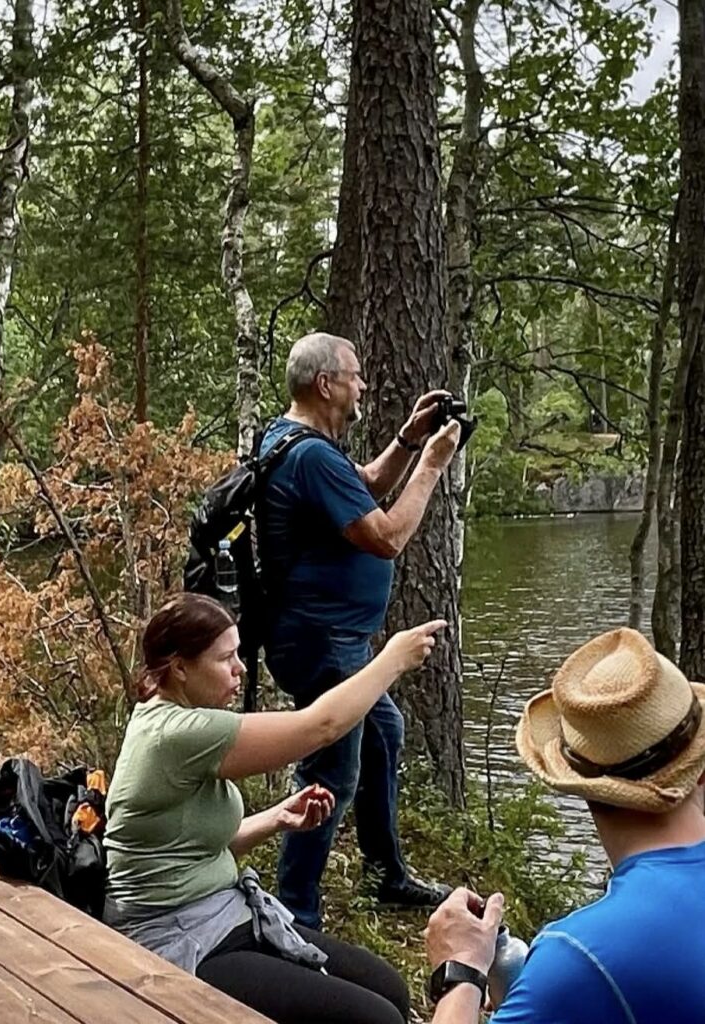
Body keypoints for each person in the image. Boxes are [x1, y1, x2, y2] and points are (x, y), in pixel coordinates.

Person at [104, 592, 447, 1024]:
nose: (240, 668)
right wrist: (392, 659)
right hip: (175, 938)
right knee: (377, 1019)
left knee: (391, 991)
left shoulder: (173, 717)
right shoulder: (177, 733)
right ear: (180, 668)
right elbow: (321, 727)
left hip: (222, 913)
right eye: (225, 658)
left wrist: (277, 818)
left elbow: (192, 847)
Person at [259, 331, 462, 927]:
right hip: (324, 643)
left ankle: (387, 875)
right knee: (330, 774)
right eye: (354, 375)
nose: (362, 386)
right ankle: (295, 914)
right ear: (326, 385)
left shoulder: (291, 441)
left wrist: (407, 440)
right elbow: (389, 535)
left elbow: (365, 487)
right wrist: (432, 465)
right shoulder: (310, 455)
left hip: (327, 639)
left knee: (382, 735)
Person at [423, 627, 705, 1023]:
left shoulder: (581, 956)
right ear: (700, 770)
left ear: (577, 784)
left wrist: (462, 970)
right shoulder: (581, 967)